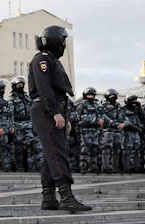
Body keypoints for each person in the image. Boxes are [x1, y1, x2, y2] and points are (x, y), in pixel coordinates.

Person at [29, 25, 91, 211]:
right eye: (62, 40)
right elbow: (45, 88)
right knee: (57, 153)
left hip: (52, 109)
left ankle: (48, 198)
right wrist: (55, 112)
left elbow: (59, 93)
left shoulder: (53, 60)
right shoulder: (42, 60)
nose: (64, 44)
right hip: (45, 109)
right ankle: (66, 197)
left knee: (51, 155)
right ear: (55, 40)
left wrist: (65, 116)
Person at [9, 76, 41, 172]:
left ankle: (33, 168)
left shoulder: (27, 98)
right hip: (17, 125)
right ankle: (19, 168)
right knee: (17, 148)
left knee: (33, 146)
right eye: (18, 85)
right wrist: (11, 126)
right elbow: (10, 114)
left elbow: (33, 111)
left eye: (21, 85)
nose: (20, 86)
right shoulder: (12, 99)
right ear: (14, 86)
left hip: (29, 125)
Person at [76, 87, 106, 174]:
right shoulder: (81, 105)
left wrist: (101, 121)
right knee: (84, 149)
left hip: (95, 130)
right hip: (85, 130)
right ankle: (83, 167)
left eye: (92, 95)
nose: (90, 96)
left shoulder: (97, 105)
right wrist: (95, 121)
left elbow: (102, 115)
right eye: (88, 95)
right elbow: (79, 118)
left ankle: (93, 167)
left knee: (95, 149)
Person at [100, 89, 126, 173]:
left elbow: (125, 118)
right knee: (106, 149)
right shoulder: (103, 106)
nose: (113, 98)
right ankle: (106, 167)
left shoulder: (119, 106)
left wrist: (124, 124)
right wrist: (116, 124)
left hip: (118, 131)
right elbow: (104, 117)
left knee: (117, 149)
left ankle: (115, 167)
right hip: (108, 130)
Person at [122, 95, 145, 173]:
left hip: (136, 133)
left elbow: (144, 118)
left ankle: (136, 167)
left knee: (136, 150)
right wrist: (138, 128)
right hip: (127, 132)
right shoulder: (123, 109)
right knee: (127, 150)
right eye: (132, 101)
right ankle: (127, 168)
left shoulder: (137, 110)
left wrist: (140, 108)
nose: (134, 103)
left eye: (135, 101)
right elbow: (126, 122)